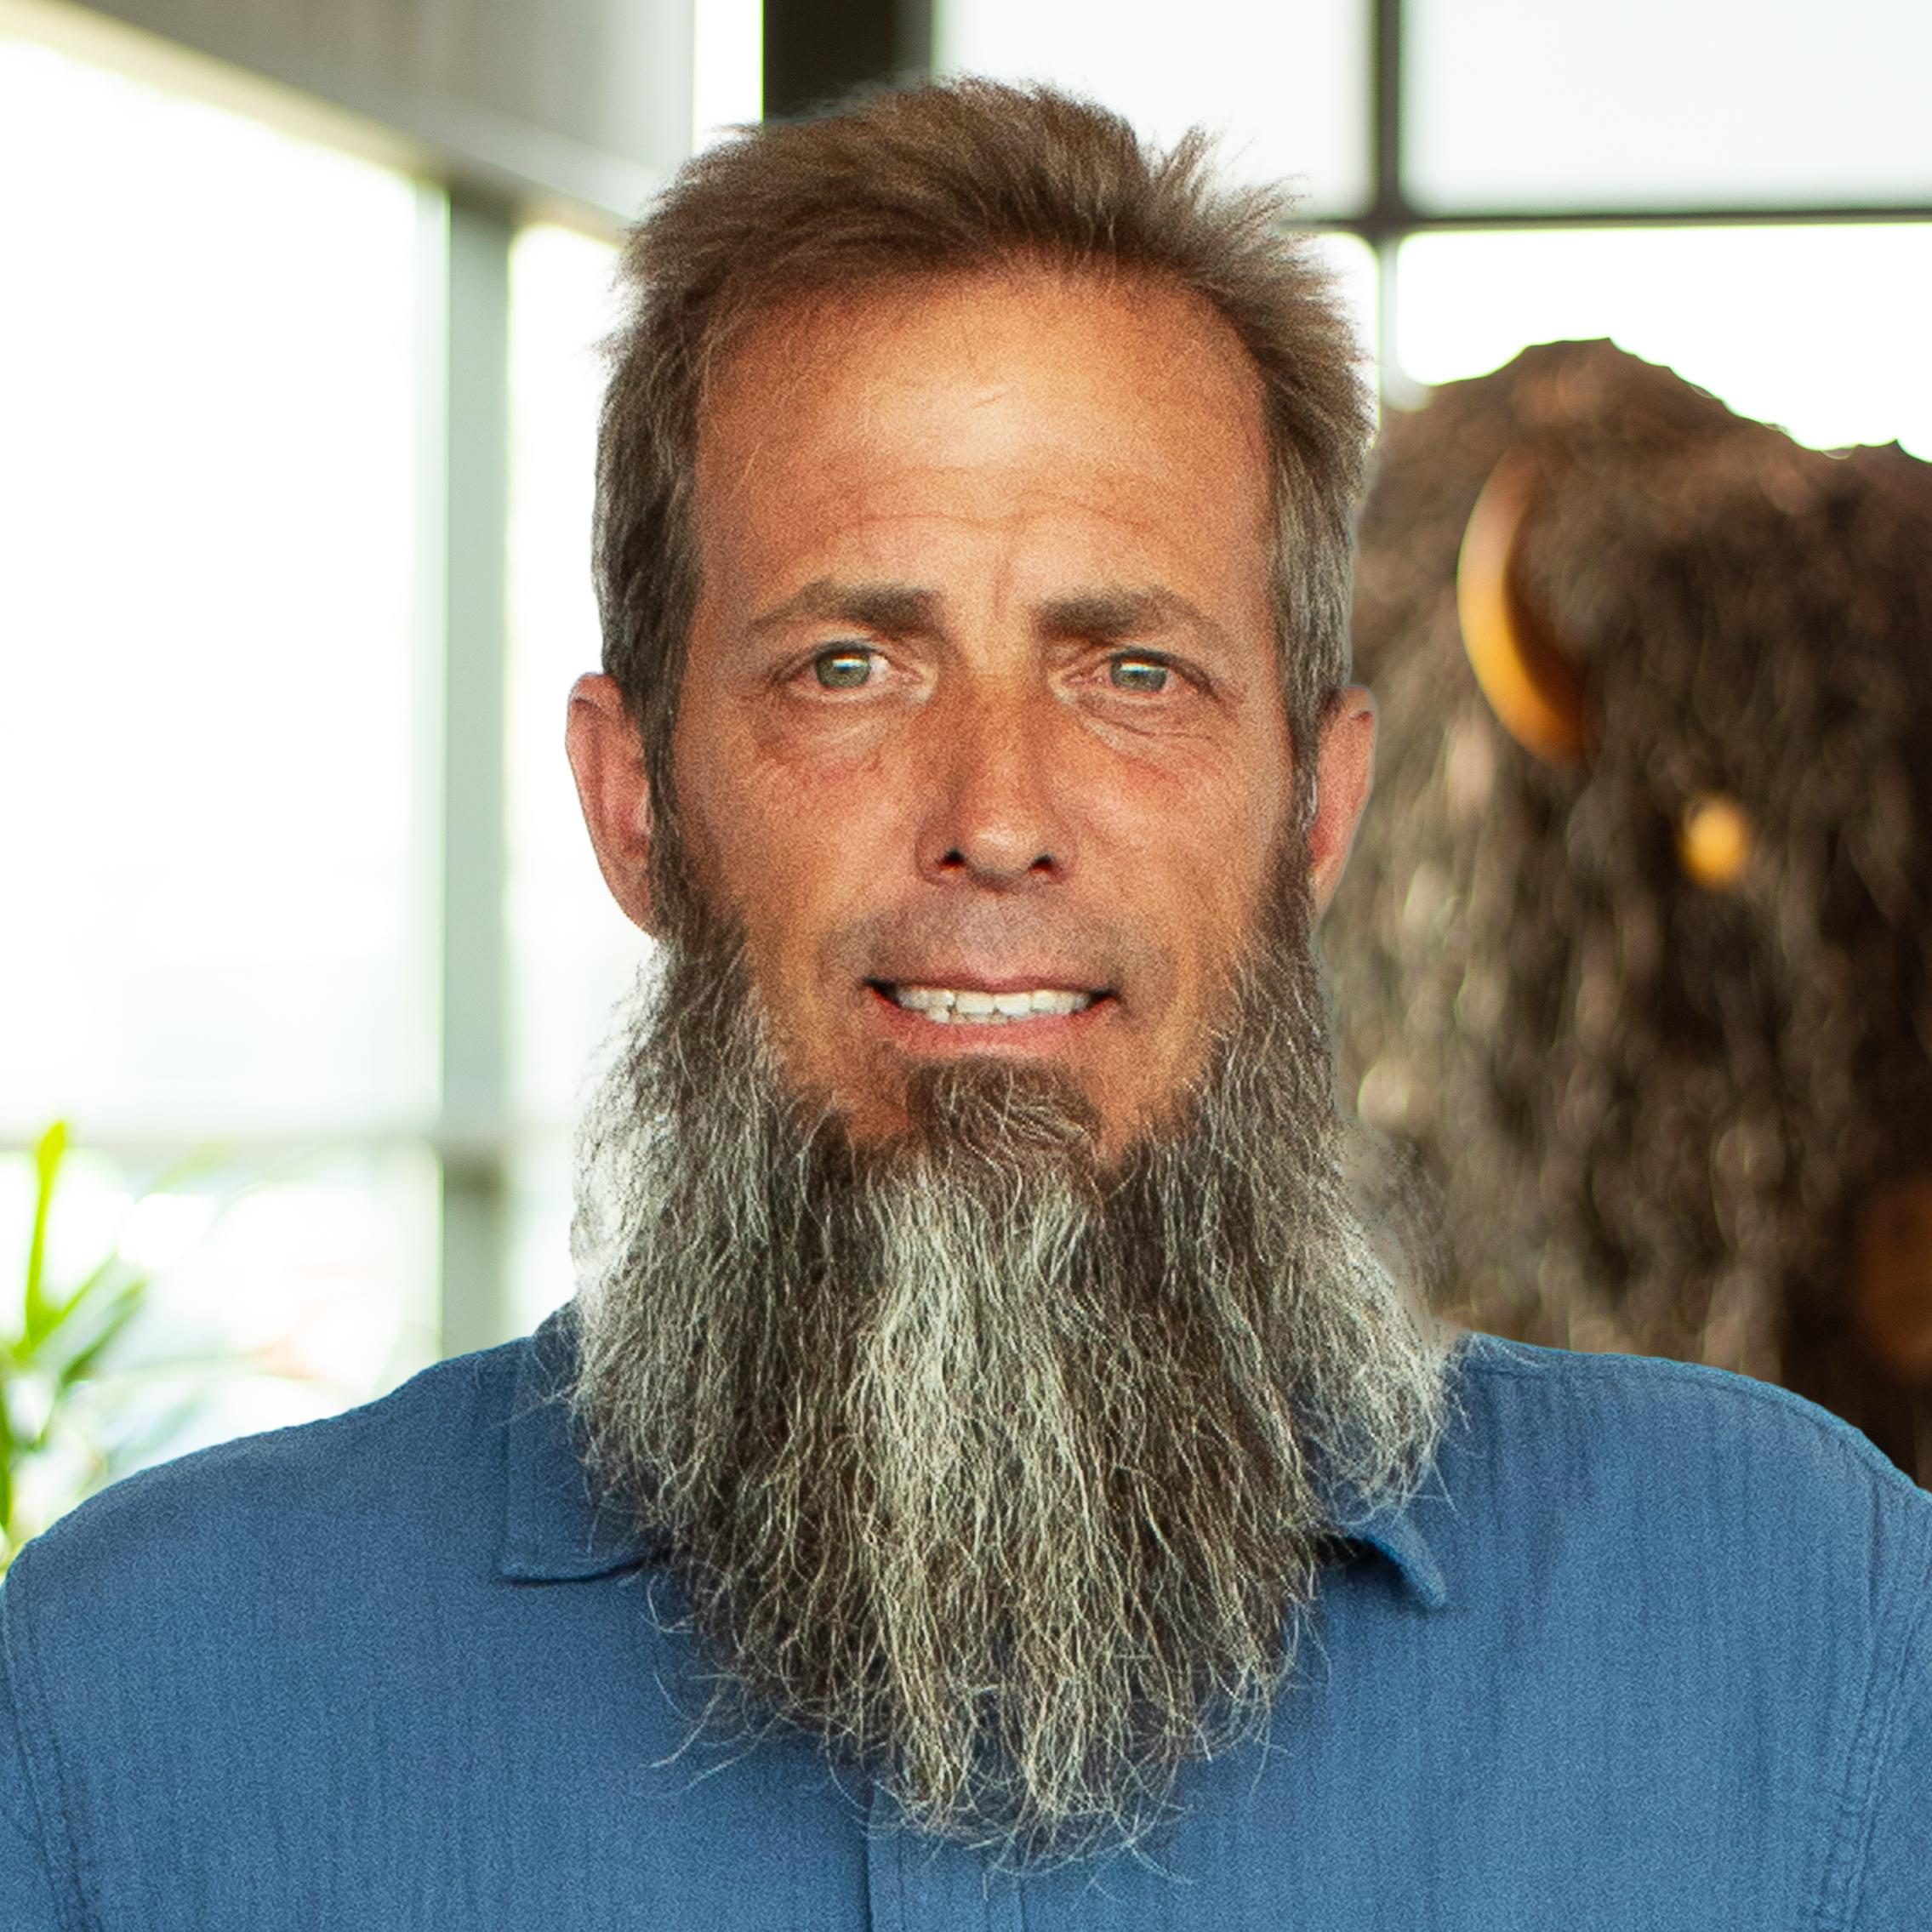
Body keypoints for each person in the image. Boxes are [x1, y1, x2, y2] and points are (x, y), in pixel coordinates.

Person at [2, 79, 1926, 1928]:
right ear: (635, 804)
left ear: (1315, 811)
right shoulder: (126, 1711)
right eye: (847, 664)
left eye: (1133, 672)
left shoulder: (1804, 1632)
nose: (996, 815)